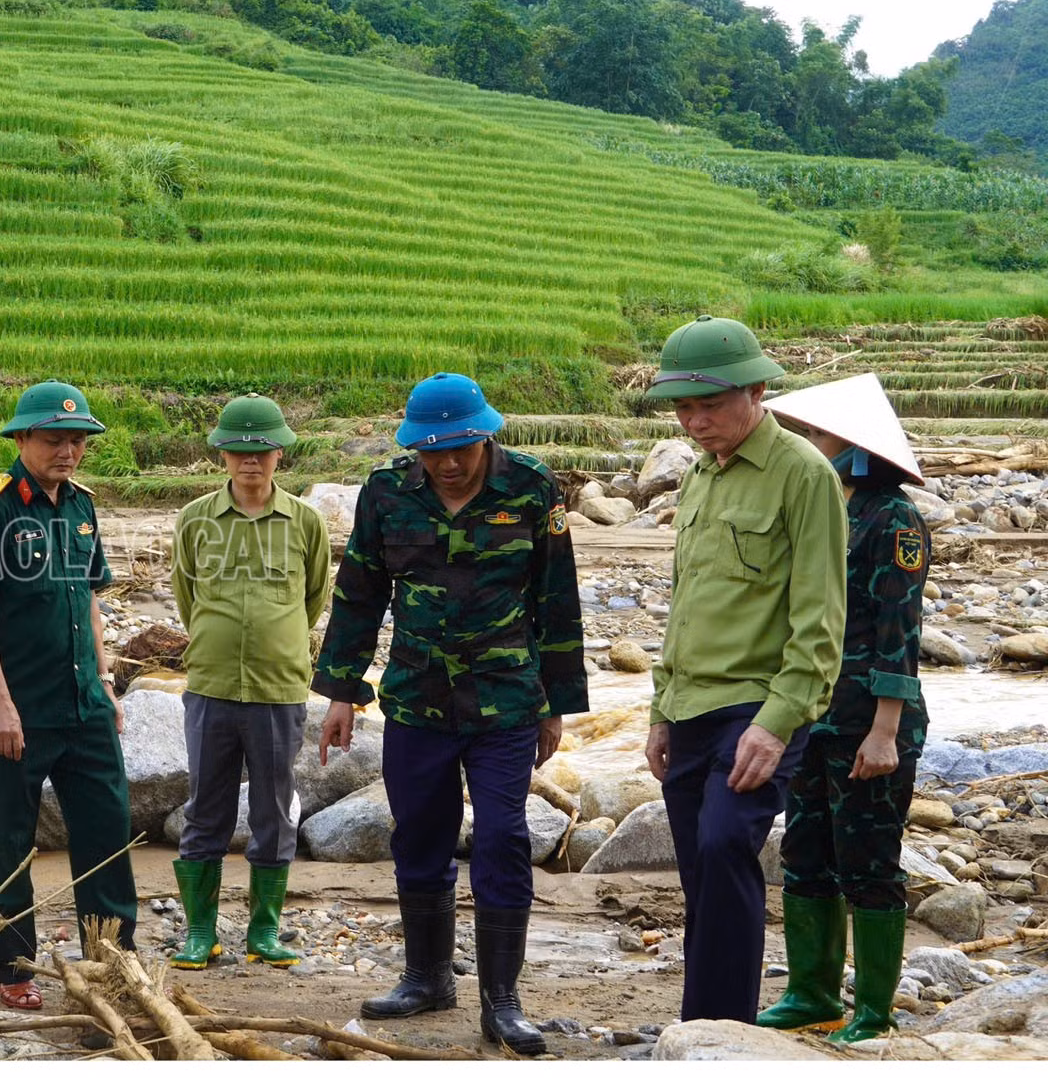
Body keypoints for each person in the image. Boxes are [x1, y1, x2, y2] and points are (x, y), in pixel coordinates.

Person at [315, 372, 586, 1056]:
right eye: (433, 451)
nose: (449, 463)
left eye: (461, 448)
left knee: (502, 838)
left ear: (485, 436)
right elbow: (359, 593)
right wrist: (342, 690)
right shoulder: (386, 491)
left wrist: (558, 704)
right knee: (419, 836)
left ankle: (502, 999)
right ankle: (427, 978)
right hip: (417, 698)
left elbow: (557, 599)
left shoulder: (531, 487)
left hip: (506, 701)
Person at [642, 315, 848, 1025]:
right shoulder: (700, 475)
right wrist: (660, 710)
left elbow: (821, 617)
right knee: (700, 870)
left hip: (757, 706)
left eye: (710, 405)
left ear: (756, 392)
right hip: (689, 706)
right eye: (683, 408)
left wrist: (779, 722)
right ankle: (702, 1025)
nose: (694, 422)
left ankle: (723, 1029)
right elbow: (685, 603)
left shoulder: (803, 474)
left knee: (726, 842)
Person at [756, 373, 930, 1044]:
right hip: (811, 713)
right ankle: (812, 994)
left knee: (869, 862)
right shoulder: (824, 504)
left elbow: (899, 632)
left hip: (868, 720)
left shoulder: (893, 519)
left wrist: (885, 730)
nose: (808, 443)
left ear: (856, 444)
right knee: (805, 854)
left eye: (818, 434)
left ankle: (874, 1012)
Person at [0, 380, 138, 1011]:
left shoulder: (82, 506)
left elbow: (89, 601)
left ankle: (111, 961)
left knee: (107, 832)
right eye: (54, 439)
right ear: (22, 438)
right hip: (19, 708)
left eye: (78, 440)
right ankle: (13, 970)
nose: (68, 451)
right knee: (10, 841)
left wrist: (106, 683)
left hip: (84, 704)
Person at [167, 394, 330, 970]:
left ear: (280, 453)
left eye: (261, 450)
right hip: (210, 687)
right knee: (204, 810)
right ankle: (199, 933)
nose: (250, 461)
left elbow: (313, 598)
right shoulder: (195, 520)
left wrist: (276, 640)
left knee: (274, 810)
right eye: (238, 450)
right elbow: (187, 597)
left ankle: (264, 932)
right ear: (222, 455)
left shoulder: (305, 522)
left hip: (278, 690)